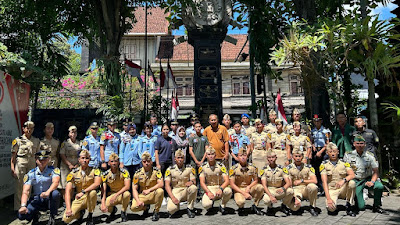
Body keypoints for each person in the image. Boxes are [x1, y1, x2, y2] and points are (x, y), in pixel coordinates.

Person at [17, 148, 61, 225]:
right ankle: (35, 215)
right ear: (36, 160)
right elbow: (26, 191)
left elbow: (55, 182)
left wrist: (47, 192)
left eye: (44, 159)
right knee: (21, 215)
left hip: (49, 198)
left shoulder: (53, 171)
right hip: (37, 199)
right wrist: (23, 205)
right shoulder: (31, 173)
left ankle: (52, 215)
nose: (42, 162)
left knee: (55, 194)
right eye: (40, 160)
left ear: (48, 159)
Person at [343, 135, 385, 213]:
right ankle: (356, 200)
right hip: (356, 180)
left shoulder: (370, 156)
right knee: (361, 207)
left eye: (362, 143)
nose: (360, 145)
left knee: (379, 186)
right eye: (358, 143)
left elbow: (376, 171)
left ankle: (377, 206)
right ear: (354, 144)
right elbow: (345, 171)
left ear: (365, 144)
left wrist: (372, 182)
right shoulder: (348, 155)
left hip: (367, 178)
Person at [62, 150, 102, 225]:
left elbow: (97, 183)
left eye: (87, 158)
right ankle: (80, 214)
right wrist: (68, 208)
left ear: (89, 160)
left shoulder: (95, 171)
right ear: (79, 159)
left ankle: (90, 215)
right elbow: (67, 191)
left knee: (93, 192)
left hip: (89, 196)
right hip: (79, 198)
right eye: (82, 158)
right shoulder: (74, 173)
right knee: (66, 219)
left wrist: (83, 192)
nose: (84, 160)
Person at [11, 121, 41, 210]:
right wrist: (12, 168)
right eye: (27, 128)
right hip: (21, 162)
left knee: (29, 185)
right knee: (19, 185)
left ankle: (26, 206)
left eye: (31, 128)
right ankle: (18, 208)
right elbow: (13, 156)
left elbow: (37, 155)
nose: (29, 130)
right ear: (23, 129)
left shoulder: (36, 140)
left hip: (32, 162)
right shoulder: (18, 140)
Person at [320, 143, 356, 216]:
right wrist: (328, 198)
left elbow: (352, 175)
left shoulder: (344, 163)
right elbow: (324, 182)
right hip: (332, 189)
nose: (333, 154)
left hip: (343, 189)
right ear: (327, 153)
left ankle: (349, 205)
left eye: (334, 151)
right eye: (330, 152)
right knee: (331, 209)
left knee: (352, 183)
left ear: (338, 152)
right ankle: (334, 203)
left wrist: (343, 180)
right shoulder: (324, 165)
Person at [130, 151, 164, 221]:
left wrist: (149, 190)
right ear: (142, 162)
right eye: (144, 161)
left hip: (153, 194)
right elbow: (134, 189)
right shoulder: (137, 173)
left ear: (151, 161)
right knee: (133, 207)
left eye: (148, 161)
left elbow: (161, 184)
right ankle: (145, 208)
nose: (146, 163)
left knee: (160, 191)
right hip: (143, 195)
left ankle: (156, 212)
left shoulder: (156, 171)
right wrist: (138, 201)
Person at [229, 148, 264, 216]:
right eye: (241, 155)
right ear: (237, 157)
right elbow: (232, 184)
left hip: (249, 188)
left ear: (247, 157)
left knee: (260, 187)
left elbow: (256, 180)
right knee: (240, 202)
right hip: (239, 189)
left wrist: (249, 187)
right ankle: (241, 208)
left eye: (244, 155)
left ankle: (255, 205)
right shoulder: (233, 169)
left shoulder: (252, 167)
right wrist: (243, 193)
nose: (243, 157)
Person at [198, 146, 232, 214]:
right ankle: (210, 204)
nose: (211, 156)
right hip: (210, 188)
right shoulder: (203, 167)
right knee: (206, 205)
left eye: (212, 154)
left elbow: (227, 180)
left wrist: (221, 189)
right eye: (209, 154)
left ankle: (222, 205)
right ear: (206, 156)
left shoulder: (221, 166)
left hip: (219, 186)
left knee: (228, 190)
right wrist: (208, 192)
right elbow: (202, 182)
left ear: (215, 155)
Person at [164, 149, 197, 218]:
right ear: (175, 159)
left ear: (184, 159)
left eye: (181, 158)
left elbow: (194, 180)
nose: (180, 159)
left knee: (193, 187)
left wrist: (191, 182)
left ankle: (190, 208)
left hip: (185, 190)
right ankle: (177, 208)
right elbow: (167, 185)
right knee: (171, 210)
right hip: (176, 190)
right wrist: (172, 197)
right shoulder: (170, 169)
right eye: (178, 158)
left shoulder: (189, 168)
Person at [259, 151, 293, 216]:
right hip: (270, 190)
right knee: (266, 200)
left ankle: (284, 205)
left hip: (279, 189)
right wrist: (271, 196)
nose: (271, 159)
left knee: (290, 191)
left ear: (276, 158)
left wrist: (283, 188)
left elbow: (288, 182)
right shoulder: (264, 170)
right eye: (269, 157)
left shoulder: (282, 168)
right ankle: (270, 207)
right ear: (267, 159)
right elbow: (264, 185)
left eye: (273, 157)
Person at [286, 149, 318, 216]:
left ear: (302, 157)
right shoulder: (288, 168)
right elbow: (288, 184)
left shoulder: (308, 167)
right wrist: (294, 197)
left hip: (305, 188)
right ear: (293, 157)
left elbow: (315, 181)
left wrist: (302, 181)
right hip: (295, 190)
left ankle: (312, 207)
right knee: (295, 208)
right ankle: (289, 204)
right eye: (296, 156)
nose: (298, 158)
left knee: (313, 186)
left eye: (299, 156)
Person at [101, 153, 131, 223]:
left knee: (127, 194)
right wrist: (102, 204)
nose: (114, 163)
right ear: (108, 163)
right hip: (112, 194)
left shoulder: (124, 172)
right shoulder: (105, 174)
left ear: (118, 162)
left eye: (115, 161)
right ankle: (113, 210)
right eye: (112, 161)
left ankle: (123, 212)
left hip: (121, 194)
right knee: (105, 206)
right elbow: (103, 190)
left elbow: (127, 186)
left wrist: (116, 195)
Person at [310, 114, 331, 192]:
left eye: (318, 121)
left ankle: (325, 187)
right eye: (315, 121)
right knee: (316, 169)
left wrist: (321, 151)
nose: (316, 122)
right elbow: (311, 141)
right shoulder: (312, 131)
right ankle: (319, 186)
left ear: (321, 121)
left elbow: (327, 142)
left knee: (324, 169)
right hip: (315, 151)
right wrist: (314, 147)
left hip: (323, 151)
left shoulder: (326, 131)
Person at [59, 126, 81, 193]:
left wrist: (78, 164)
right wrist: (69, 164)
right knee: (64, 184)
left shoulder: (79, 143)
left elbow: (81, 154)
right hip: (66, 165)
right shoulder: (65, 143)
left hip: (76, 165)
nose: (73, 134)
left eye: (75, 132)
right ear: (69, 134)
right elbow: (62, 154)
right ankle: (64, 201)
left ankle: (71, 200)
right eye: (72, 132)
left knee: (74, 184)